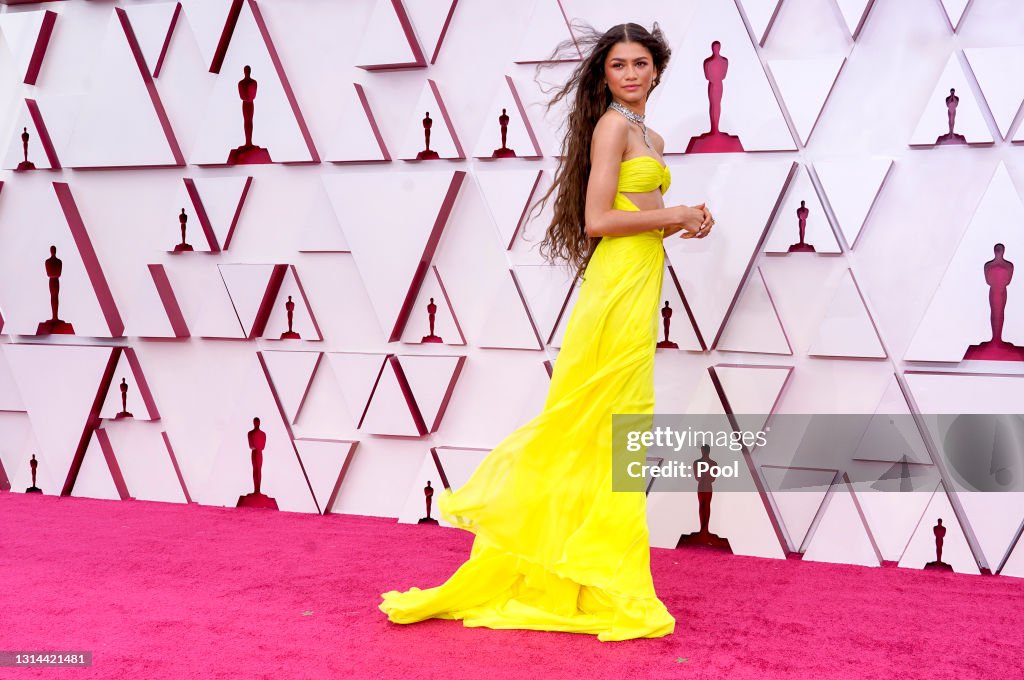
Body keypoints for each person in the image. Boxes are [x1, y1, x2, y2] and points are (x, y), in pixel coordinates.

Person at [378, 22, 714, 642]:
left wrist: (684, 221)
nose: (632, 74)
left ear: (658, 71)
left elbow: (638, 221)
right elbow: (596, 219)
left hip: (641, 281)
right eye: (619, 65)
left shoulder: (651, 134)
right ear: (605, 75)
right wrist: (675, 211)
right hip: (614, 289)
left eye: (641, 63)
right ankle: (585, 571)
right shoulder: (612, 127)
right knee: (596, 419)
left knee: (618, 425)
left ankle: (591, 572)